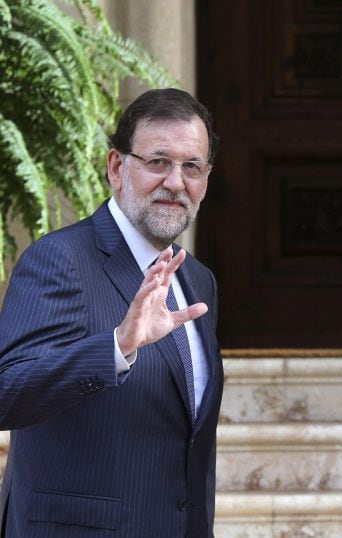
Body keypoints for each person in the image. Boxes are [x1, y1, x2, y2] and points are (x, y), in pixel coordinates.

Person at [0, 88, 223, 537]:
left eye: (191, 167)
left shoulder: (198, 280)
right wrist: (117, 346)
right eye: (158, 162)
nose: (176, 182)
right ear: (117, 167)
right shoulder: (61, 259)